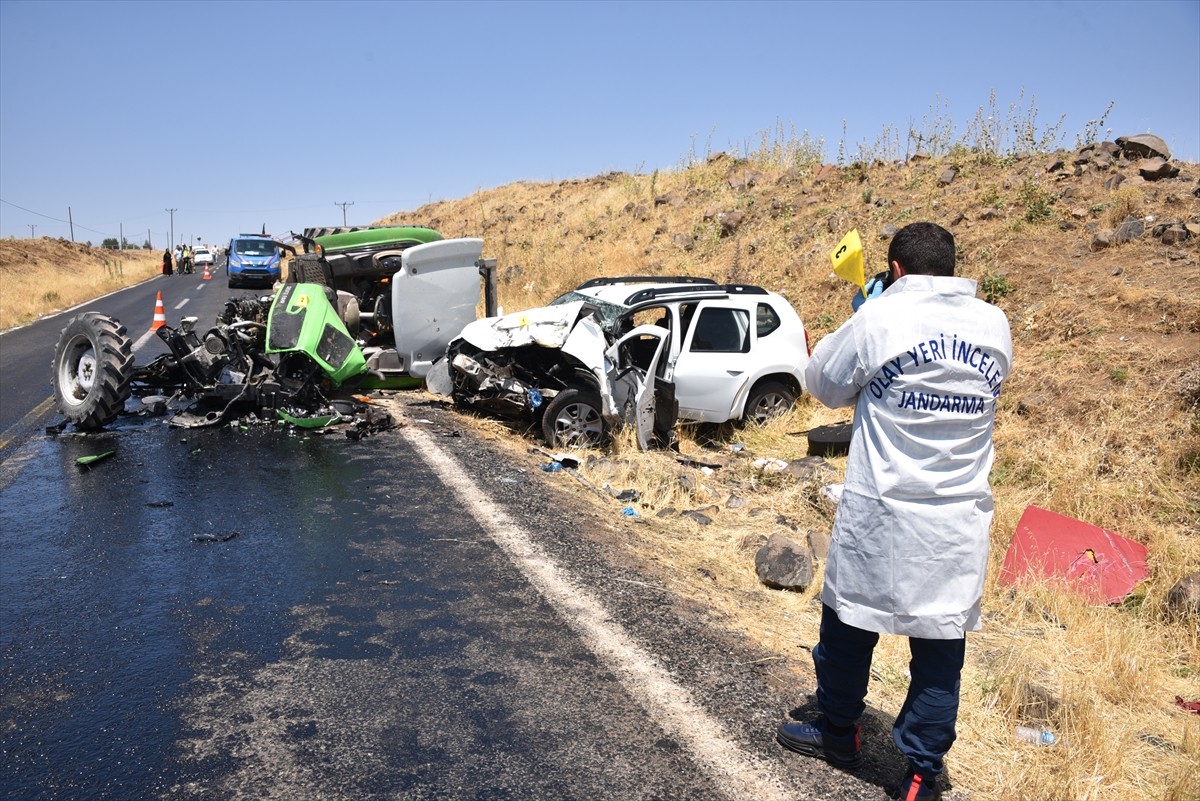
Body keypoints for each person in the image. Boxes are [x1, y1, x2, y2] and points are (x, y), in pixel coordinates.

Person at [776, 222, 1013, 801]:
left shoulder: (879, 319)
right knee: (939, 654)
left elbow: (824, 384)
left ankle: (839, 735)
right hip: (955, 521)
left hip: (882, 513)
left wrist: (858, 322)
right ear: (953, 270)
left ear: (896, 270)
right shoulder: (995, 326)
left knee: (848, 631)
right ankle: (919, 774)